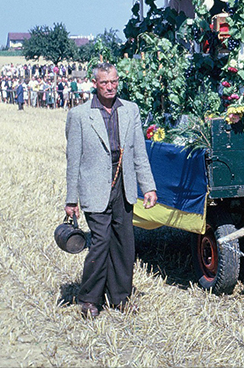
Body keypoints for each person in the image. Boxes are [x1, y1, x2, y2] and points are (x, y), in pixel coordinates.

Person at [64, 62, 157, 318]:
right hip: (94, 188)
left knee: (125, 244)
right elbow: (73, 160)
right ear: (95, 84)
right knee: (101, 242)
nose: (110, 87)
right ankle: (90, 299)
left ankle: (120, 298)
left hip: (123, 186)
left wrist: (148, 186)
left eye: (114, 81)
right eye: (104, 82)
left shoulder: (130, 110)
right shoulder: (80, 115)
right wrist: (72, 199)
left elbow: (139, 151)